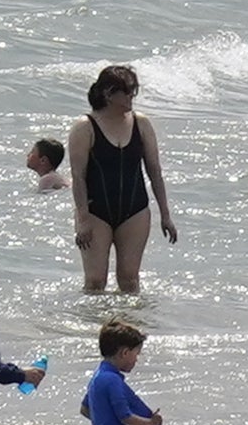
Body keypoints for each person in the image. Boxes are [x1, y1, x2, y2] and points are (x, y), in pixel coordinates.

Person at [65, 60, 175, 292]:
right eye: (127, 91)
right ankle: (92, 325)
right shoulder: (84, 127)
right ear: (108, 93)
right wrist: (83, 219)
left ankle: (130, 324)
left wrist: (165, 215)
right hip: (96, 212)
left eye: (133, 91)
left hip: (135, 210)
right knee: (95, 281)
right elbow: (79, 177)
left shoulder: (141, 123)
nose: (131, 97)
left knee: (129, 280)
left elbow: (155, 172)